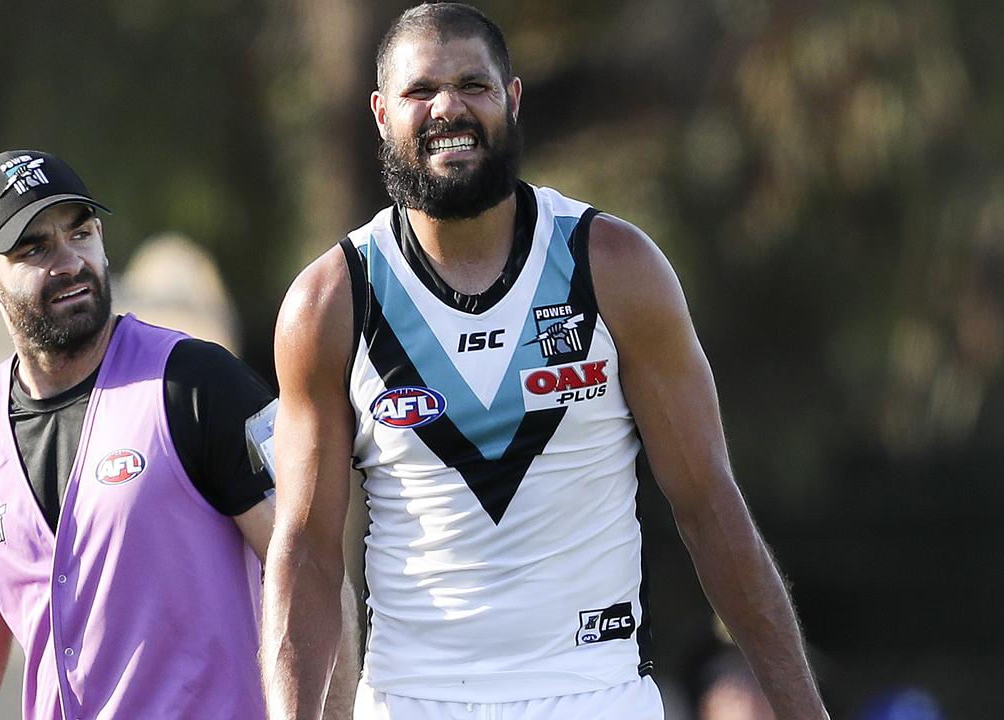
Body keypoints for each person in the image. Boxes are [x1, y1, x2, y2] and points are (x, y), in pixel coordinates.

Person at [260, 4, 829, 720]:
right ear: (381, 113)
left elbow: (711, 509)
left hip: (597, 695)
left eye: (475, 84)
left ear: (513, 98)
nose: (448, 108)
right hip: (413, 701)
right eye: (420, 91)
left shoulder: (614, 266)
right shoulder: (331, 302)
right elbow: (307, 554)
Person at [0, 149, 275, 719]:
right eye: (34, 247)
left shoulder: (197, 382)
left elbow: (308, 571)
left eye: (82, 232)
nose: (70, 261)